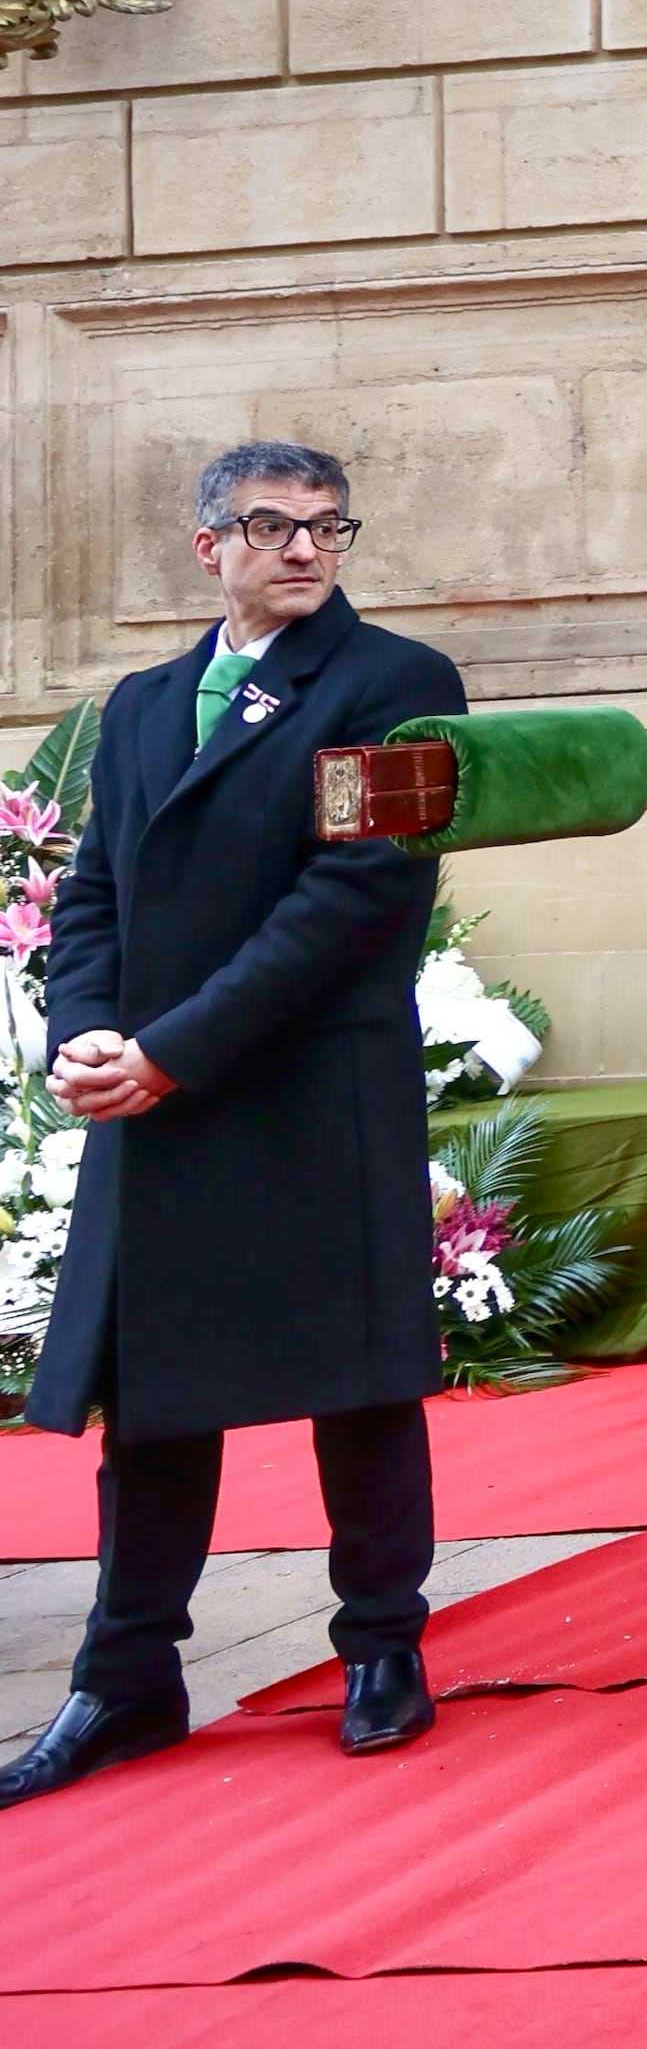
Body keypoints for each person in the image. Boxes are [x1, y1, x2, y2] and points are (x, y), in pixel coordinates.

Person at [9, 443, 470, 1809]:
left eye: (329, 526)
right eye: (272, 525)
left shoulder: (395, 684)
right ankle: (127, 1676)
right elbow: (90, 890)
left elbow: (353, 905)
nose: (305, 548)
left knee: (363, 1373)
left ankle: (383, 1646)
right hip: (157, 1088)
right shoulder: (145, 707)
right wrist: (89, 1034)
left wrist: (171, 1050)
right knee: (150, 1395)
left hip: (313, 1082)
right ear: (208, 543)